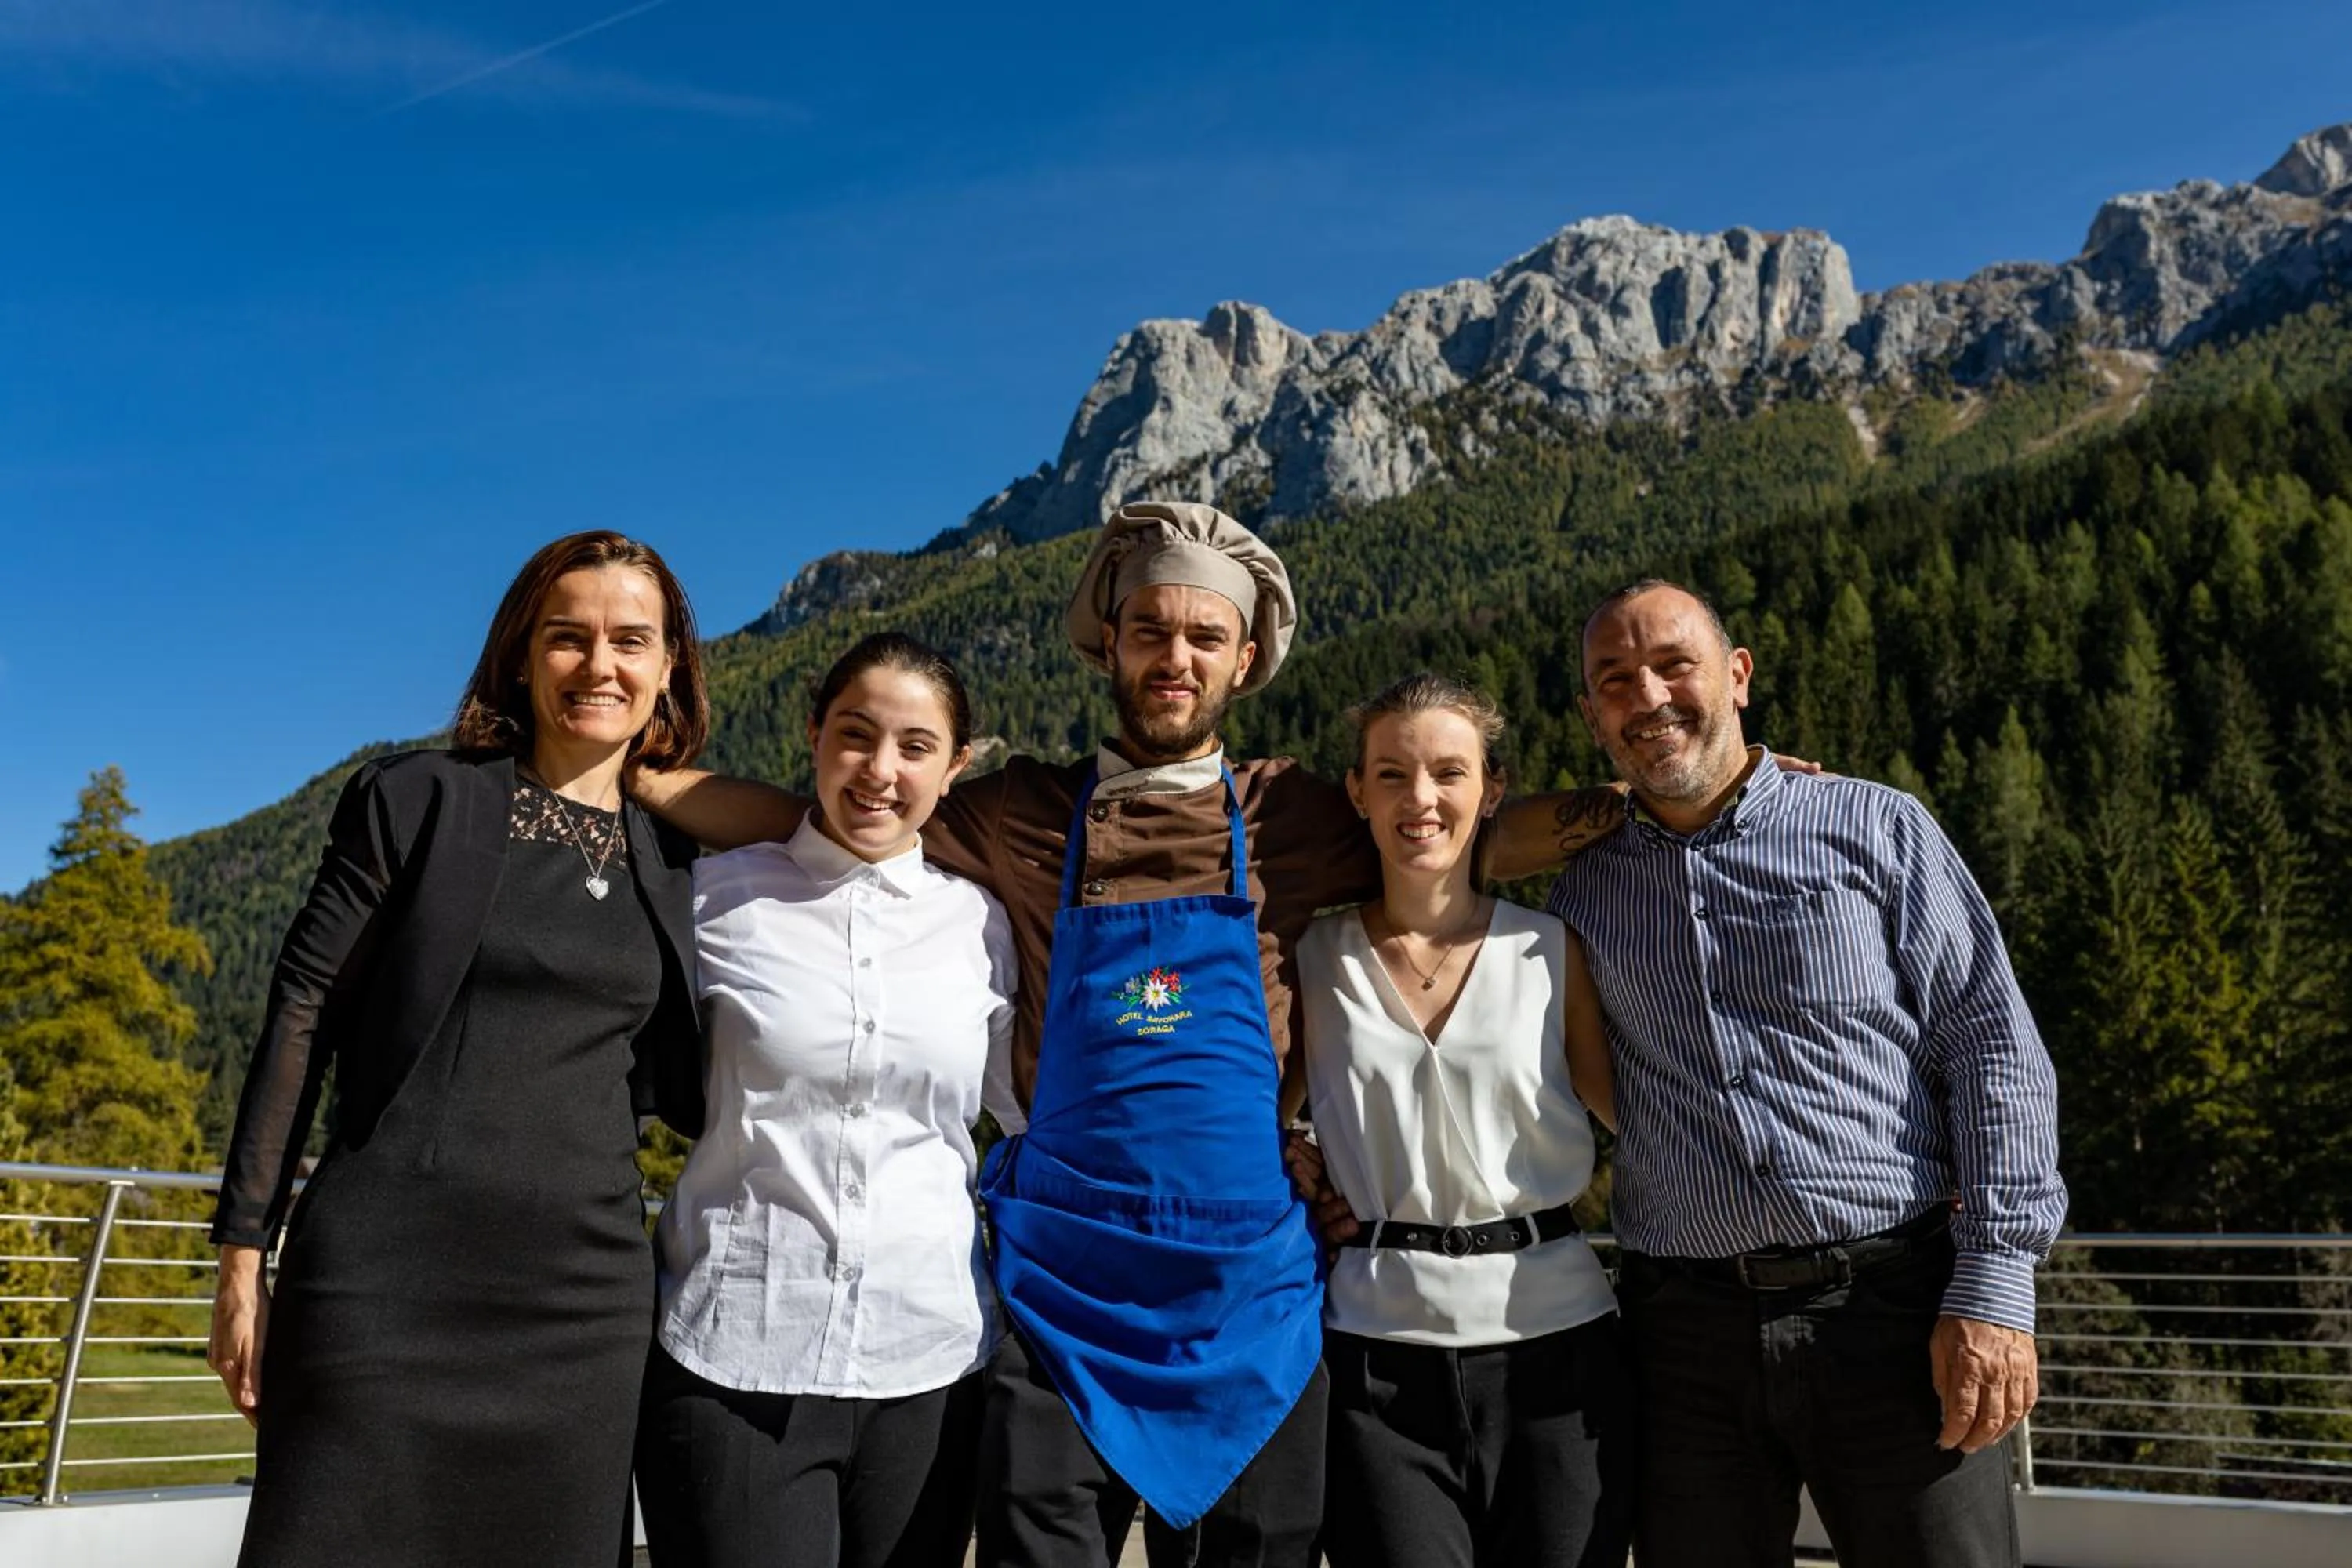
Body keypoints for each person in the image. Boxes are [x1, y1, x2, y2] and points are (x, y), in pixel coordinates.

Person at [633, 501, 1632, 1568]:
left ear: (1245, 660)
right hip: (1064, 1302)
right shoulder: (1017, 812)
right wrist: (629, 780)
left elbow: (1458, 837)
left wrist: (1670, 801)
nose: (1175, 658)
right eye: (1151, 630)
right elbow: (815, 818)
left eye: (1205, 638)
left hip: (1250, 1295)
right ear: (1108, 641)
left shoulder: (1292, 813)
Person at [205, 531, 710, 1568]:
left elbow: (836, 826)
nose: (598, 665)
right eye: (568, 638)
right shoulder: (415, 800)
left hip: (581, 1311)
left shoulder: (682, 855)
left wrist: (657, 787)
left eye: (630, 642)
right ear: (522, 655)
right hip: (383, 1283)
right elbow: (302, 1008)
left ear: (668, 670)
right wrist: (243, 1256)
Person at [1543, 579, 2067, 1568]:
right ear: (1590, 714)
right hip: (1683, 1332)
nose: (1646, 693)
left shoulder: (1877, 829)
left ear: (1738, 674)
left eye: (1672, 664)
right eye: (1614, 679)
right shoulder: (1582, 890)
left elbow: (1994, 1049)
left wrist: (1996, 1285)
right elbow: (1427, 841)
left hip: (1894, 1306)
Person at [634, 633, 1017, 1568]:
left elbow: (1033, 1114)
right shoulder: (714, 898)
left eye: (916, 746)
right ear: (813, 734)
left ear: (955, 766)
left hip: (931, 1361)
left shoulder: (982, 923)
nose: (880, 770)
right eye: (856, 734)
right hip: (734, 1355)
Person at [1298, 672, 1635, 1568]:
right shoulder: (1312, 959)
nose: (1421, 798)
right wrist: (1291, 1155)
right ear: (1356, 792)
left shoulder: (1548, 946)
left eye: (1449, 772)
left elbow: (1644, 1120)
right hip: (1376, 1352)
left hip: (1558, 1344)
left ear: (1491, 790)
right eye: (1393, 773)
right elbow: (1247, 1110)